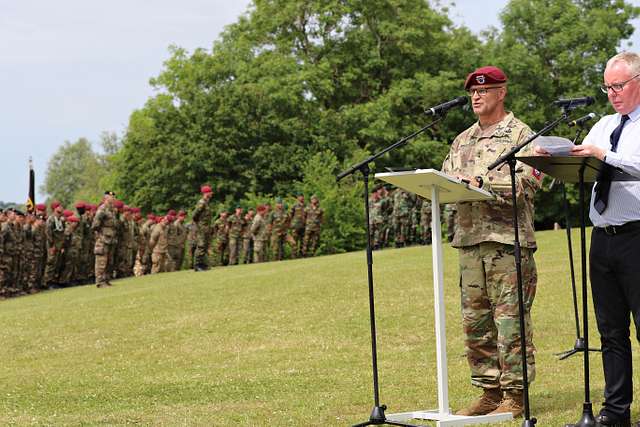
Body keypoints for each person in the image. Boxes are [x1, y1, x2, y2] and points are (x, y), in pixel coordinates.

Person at [536, 52, 640, 427]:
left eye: (618, 86)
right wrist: (557, 156)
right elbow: (587, 161)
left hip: (637, 236)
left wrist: (605, 155)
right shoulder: (603, 124)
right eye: (607, 87)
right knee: (611, 331)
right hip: (603, 238)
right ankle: (615, 413)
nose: (612, 94)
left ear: (638, 81)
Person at [441, 66, 540, 417]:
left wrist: (481, 184)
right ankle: (488, 391)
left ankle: (516, 393)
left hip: (506, 243)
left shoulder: (522, 135)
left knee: (511, 322)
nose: (476, 97)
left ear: (501, 93)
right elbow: (446, 176)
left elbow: (529, 183)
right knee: (476, 322)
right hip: (469, 242)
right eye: (471, 93)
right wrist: (457, 181)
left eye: (484, 91)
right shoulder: (462, 139)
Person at [92, 192, 118, 288]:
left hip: (111, 239)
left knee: (109, 261)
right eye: (112, 197)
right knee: (101, 261)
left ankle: (106, 280)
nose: (114, 199)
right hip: (103, 239)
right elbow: (95, 225)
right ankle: (100, 281)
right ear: (106, 198)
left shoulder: (112, 210)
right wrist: (101, 234)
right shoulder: (102, 209)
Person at [192, 185, 214, 271]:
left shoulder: (207, 202)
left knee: (204, 245)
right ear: (206, 193)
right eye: (210, 192)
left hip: (206, 227)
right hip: (202, 227)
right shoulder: (202, 202)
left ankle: (203, 264)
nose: (211, 193)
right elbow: (195, 215)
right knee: (201, 245)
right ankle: (197, 265)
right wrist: (199, 224)